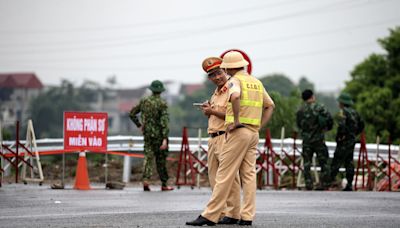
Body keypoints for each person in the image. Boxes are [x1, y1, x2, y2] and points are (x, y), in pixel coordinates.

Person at [186, 51, 275, 226]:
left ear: (227, 68)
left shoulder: (235, 81)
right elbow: (270, 105)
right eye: (213, 74)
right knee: (248, 175)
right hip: (251, 132)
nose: (219, 75)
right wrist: (259, 126)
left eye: (221, 71)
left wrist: (235, 120)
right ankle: (246, 215)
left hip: (236, 133)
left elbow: (234, 97)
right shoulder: (256, 82)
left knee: (224, 175)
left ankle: (210, 215)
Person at [199, 56, 241, 225]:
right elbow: (215, 112)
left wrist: (212, 112)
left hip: (226, 136)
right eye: (212, 75)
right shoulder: (216, 93)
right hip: (213, 137)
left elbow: (234, 115)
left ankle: (233, 213)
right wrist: (208, 109)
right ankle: (222, 212)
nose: (216, 77)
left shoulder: (232, 88)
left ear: (225, 71)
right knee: (214, 178)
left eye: (218, 73)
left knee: (229, 179)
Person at [129, 80, 174, 191]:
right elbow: (164, 122)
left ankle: (145, 180)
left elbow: (132, 113)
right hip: (159, 136)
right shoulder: (162, 103)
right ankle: (164, 184)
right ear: (161, 91)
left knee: (148, 158)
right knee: (161, 160)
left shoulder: (144, 101)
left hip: (148, 134)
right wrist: (164, 139)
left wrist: (139, 125)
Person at [296, 89, 332, 190]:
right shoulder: (320, 108)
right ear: (312, 96)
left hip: (306, 140)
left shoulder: (300, 110)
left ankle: (309, 184)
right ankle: (323, 184)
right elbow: (329, 121)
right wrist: (325, 129)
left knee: (307, 163)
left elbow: (299, 125)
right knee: (323, 162)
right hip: (319, 140)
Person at [330, 92, 364, 191]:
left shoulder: (343, 112)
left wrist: (341, 136)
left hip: (343, 141)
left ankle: (329, 182)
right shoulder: (355, 112)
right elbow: (361, 125)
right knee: (349, 162)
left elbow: (342, 125)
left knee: (336, 161)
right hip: (352, 140)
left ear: (342, 103)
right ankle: (349, 184)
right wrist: (353, 134)